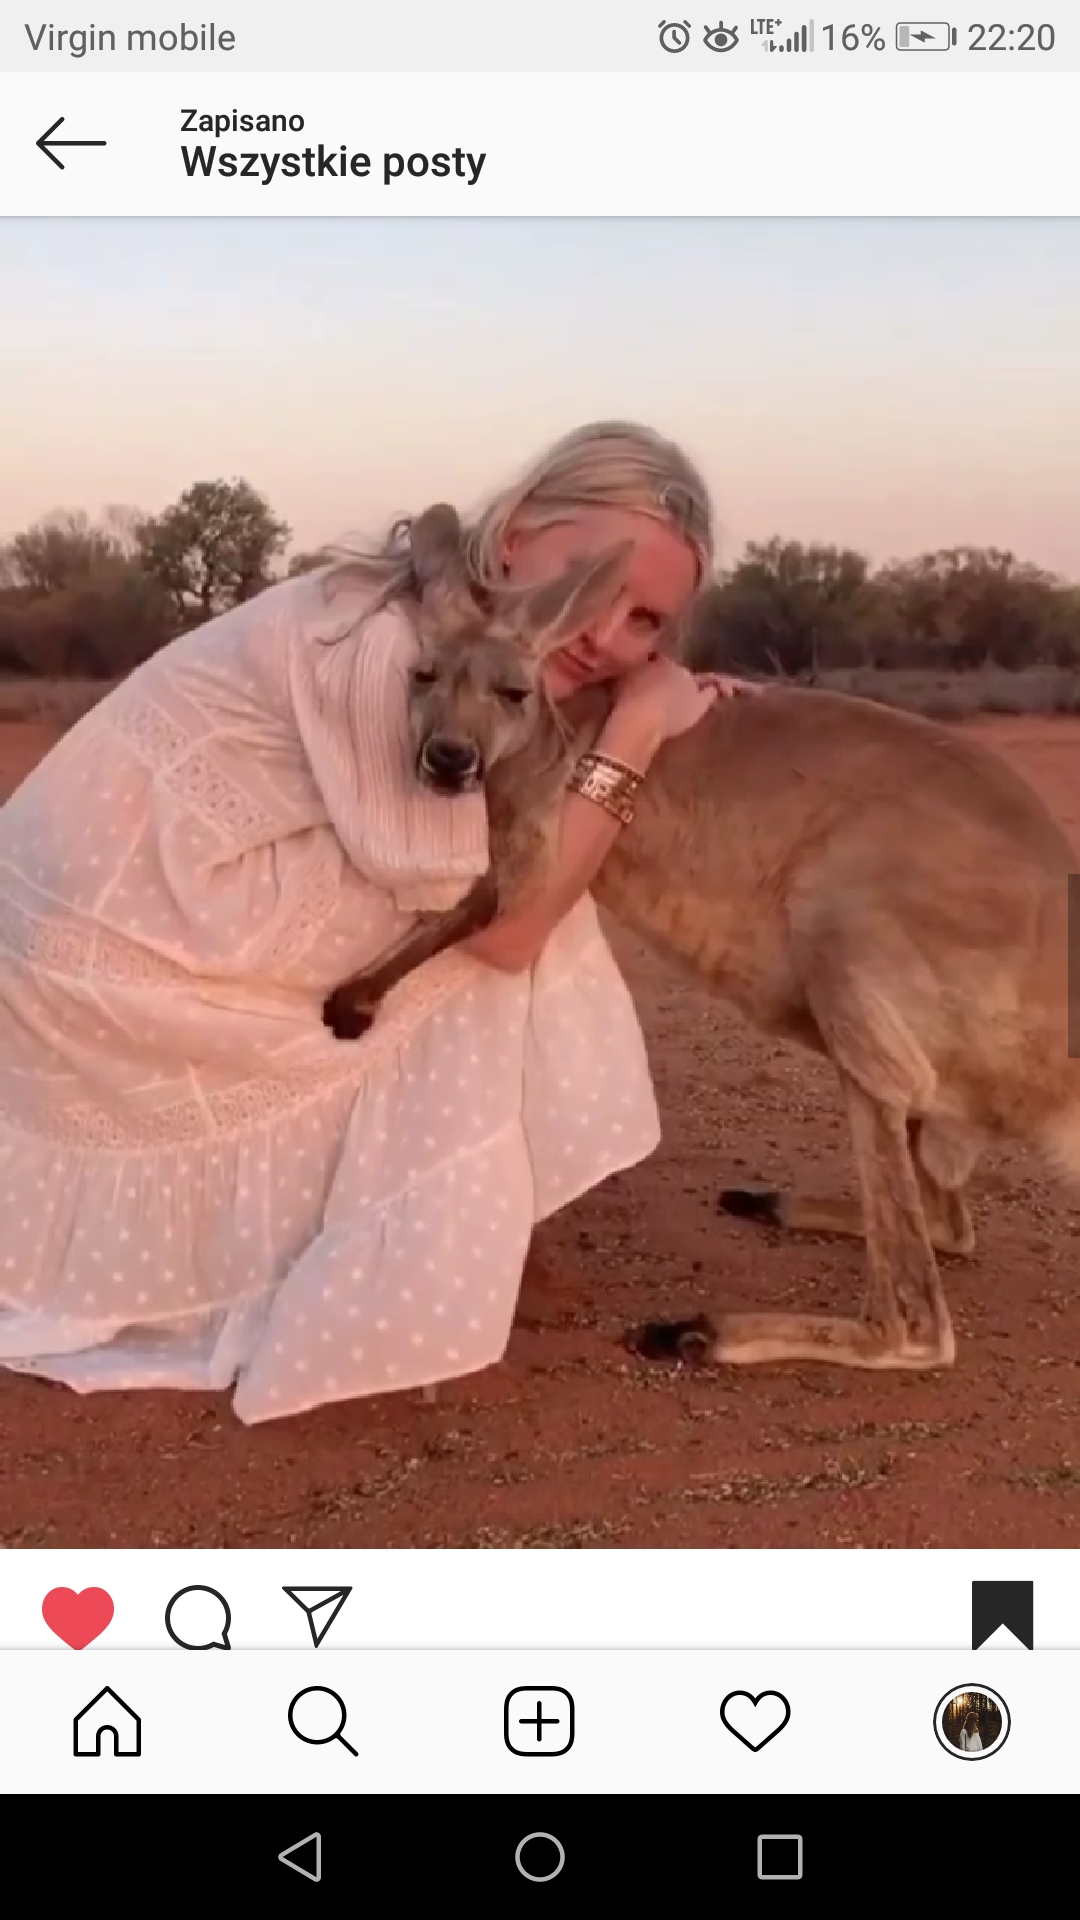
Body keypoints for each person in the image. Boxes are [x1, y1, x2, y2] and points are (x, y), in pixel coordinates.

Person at [0, 419, 754, 1423]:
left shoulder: (436, 617)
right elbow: (510, 931)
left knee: (508, 870)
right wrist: (642, 724)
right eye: (585, 581)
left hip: (116, 918)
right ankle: (409, 1242)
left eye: (643, 620)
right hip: (95, 966)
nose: (596, 631)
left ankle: (425, 1214)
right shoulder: (396, 649)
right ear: (515, 534)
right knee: (502, 922)